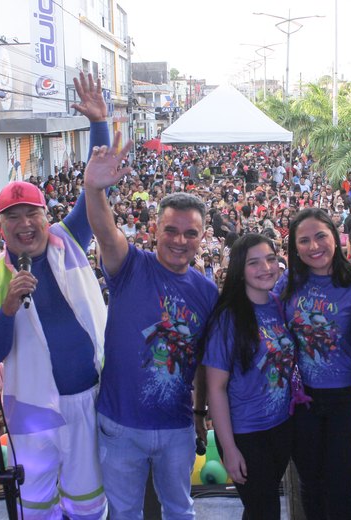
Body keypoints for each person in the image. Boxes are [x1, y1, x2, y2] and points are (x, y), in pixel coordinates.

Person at [0, 72, 112, 520]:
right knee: (36, 501)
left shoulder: (69, 237)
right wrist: (8, 308)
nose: (24, 223)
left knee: (87, 498)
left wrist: (98, 124)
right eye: (13, 217)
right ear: (0, 227)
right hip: (29, 406)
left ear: (47, 216)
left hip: (87, 394)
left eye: (32, 213)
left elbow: (96, 183)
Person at [85, 135, 218, 519]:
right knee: (125, 513)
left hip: (176, 426)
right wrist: (94, 189)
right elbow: (105, 232)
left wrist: (198, 414)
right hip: (119, 424)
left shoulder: (207, 292)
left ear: (202, 237)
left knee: (180, 510)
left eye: (190, 233)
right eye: (171, 231)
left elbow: (205, 363)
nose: (180, 241)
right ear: (154, 231)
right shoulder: (130, 266)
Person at [275, 207, 351, 520]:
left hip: (348, 400)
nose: (314, 246)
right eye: (304, 240)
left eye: (320, 236)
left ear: (336, 238)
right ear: (295, 248)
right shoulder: (289, 282)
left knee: (339, 487)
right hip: (302, 399)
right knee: (310, 483)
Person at [203, 234, 295, 519]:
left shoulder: (280, 305)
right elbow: (215, 389)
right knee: (264, 510)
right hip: (246, 433)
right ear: (240, 270)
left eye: (270, 259)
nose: (266, 267)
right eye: (254, 262)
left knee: (262, 508)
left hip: (282, 426)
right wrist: (229, 450)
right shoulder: (227, 318)